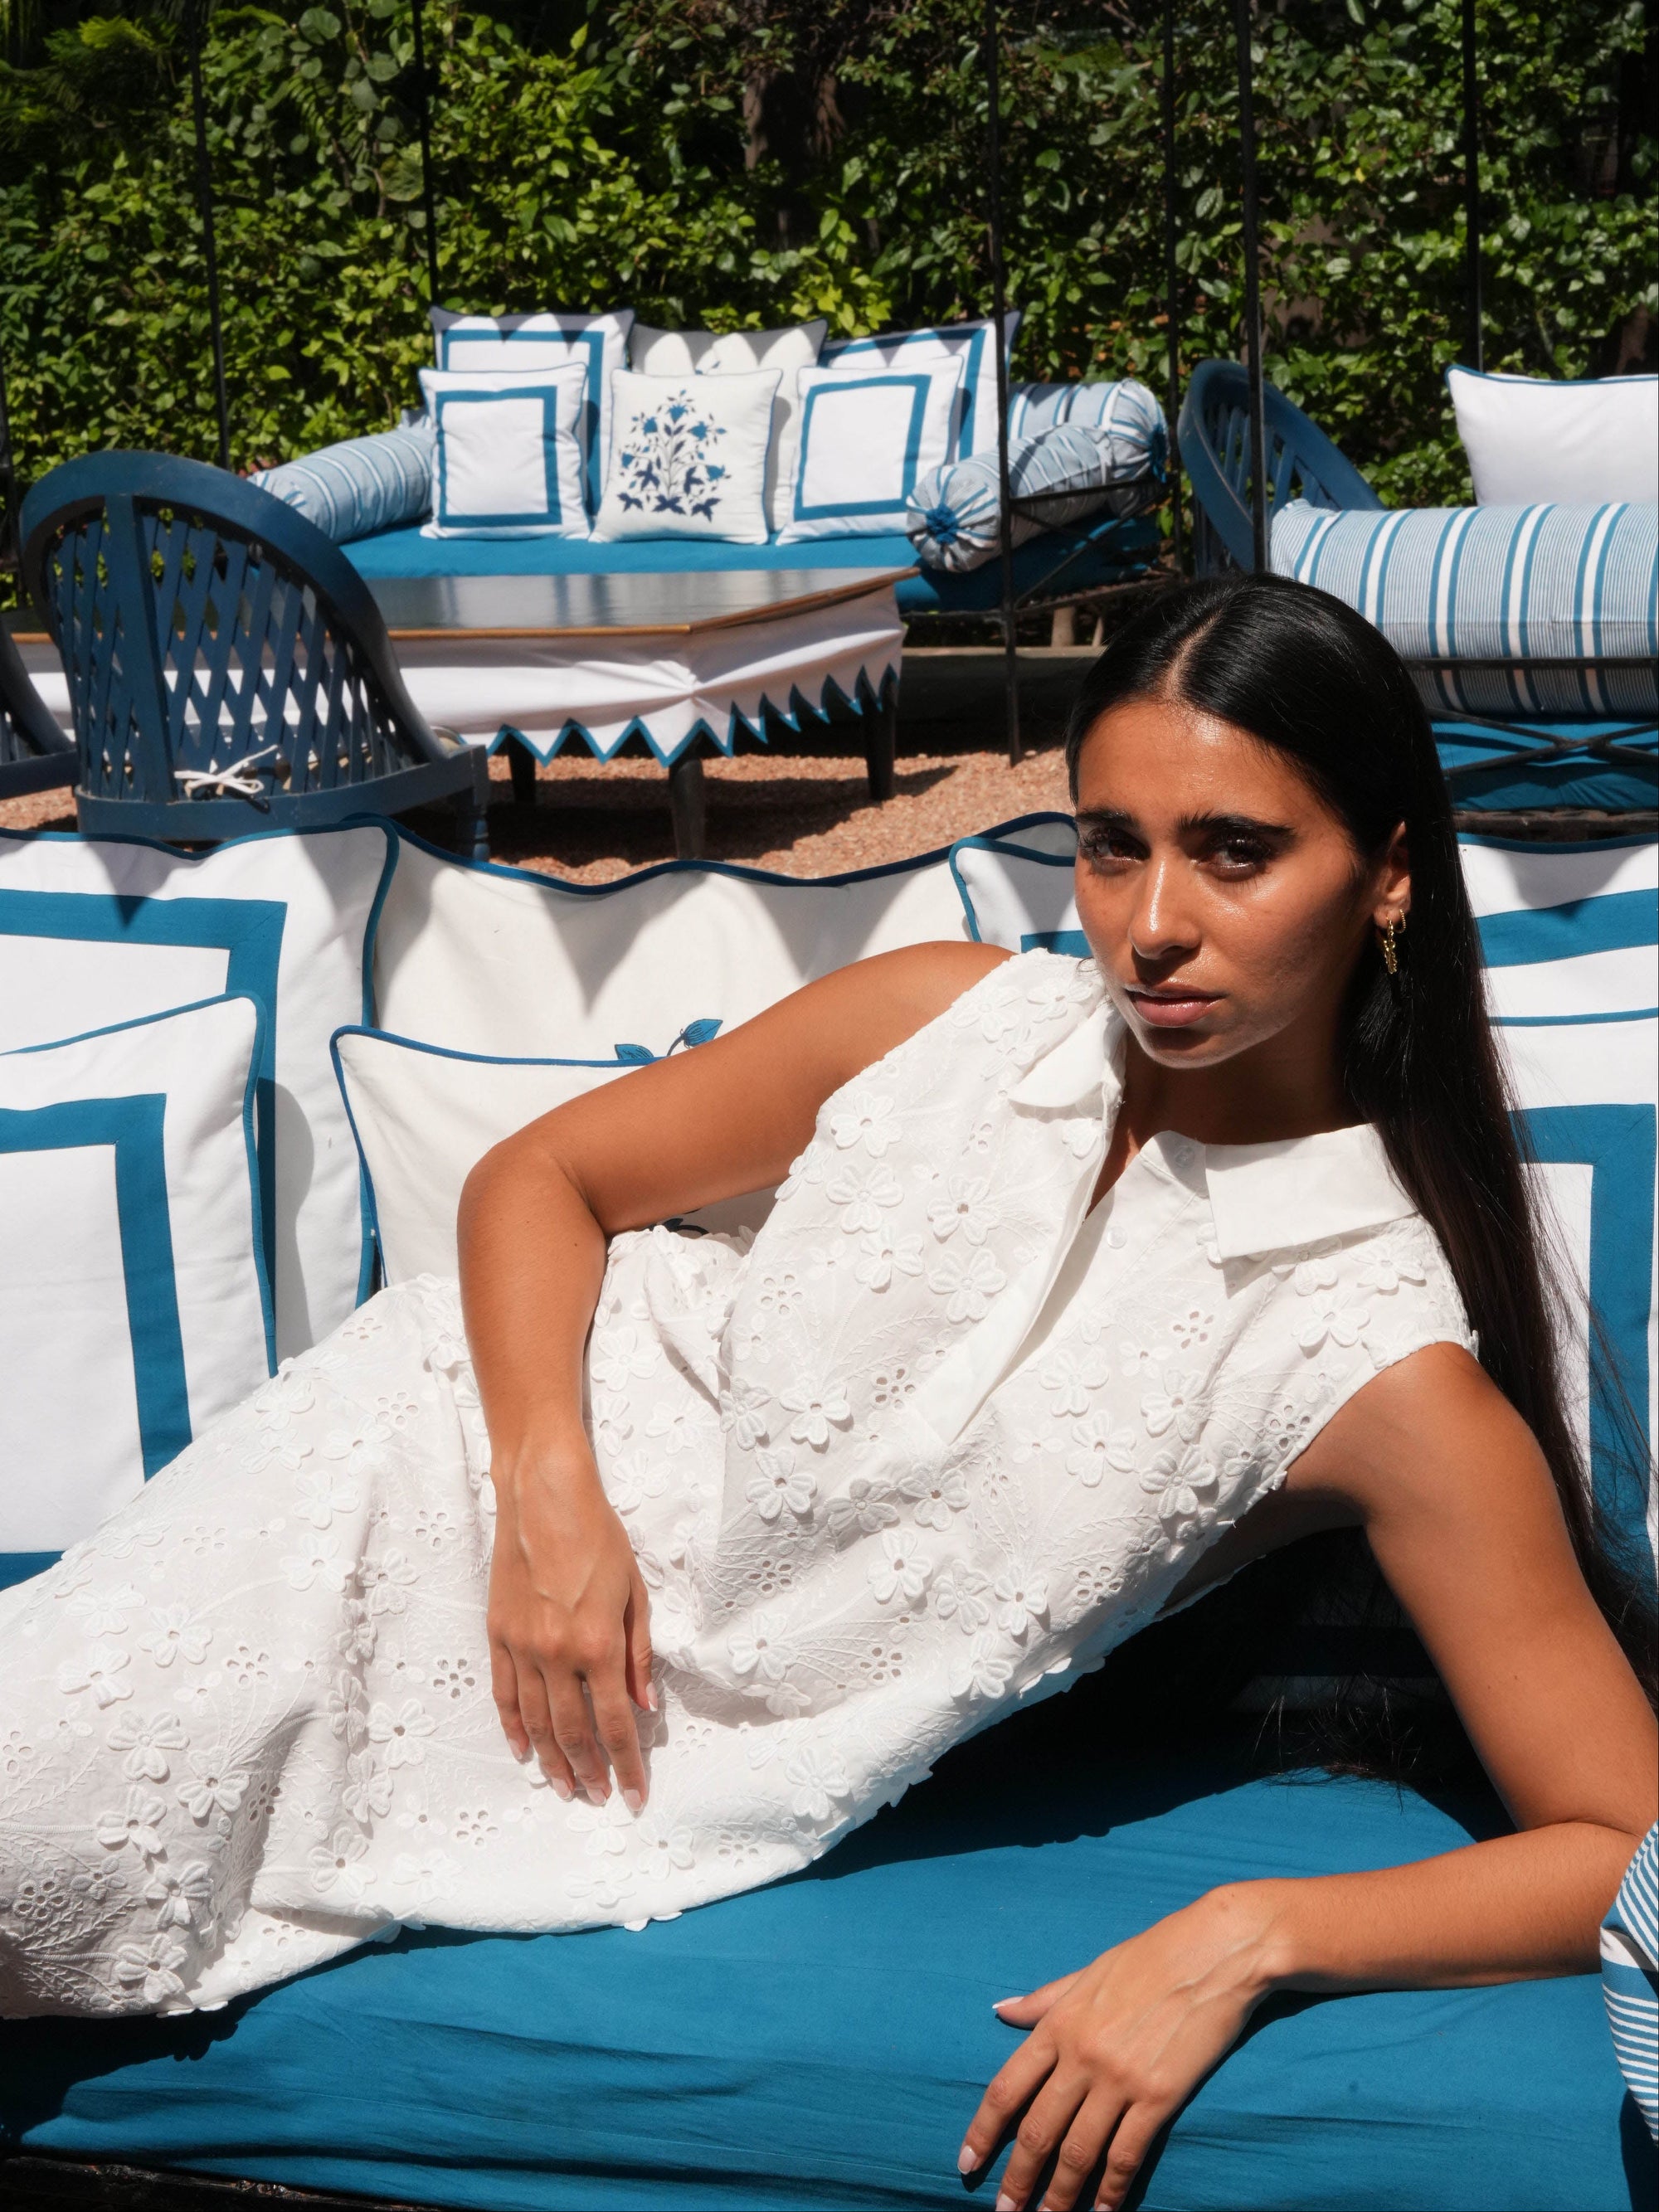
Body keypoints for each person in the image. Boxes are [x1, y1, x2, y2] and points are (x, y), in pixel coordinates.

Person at [1, 574, 1652, 2212]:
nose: (1150, 919)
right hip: (427, 1472)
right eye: (1106, 841)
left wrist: (1252, 1931)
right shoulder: (946, 1013)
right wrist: (548, 1499)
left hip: (601, 1757)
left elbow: (1619, 1834)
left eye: (1234, 849)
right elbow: (544, 1178)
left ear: (1384, 879)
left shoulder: (1373, 1356)